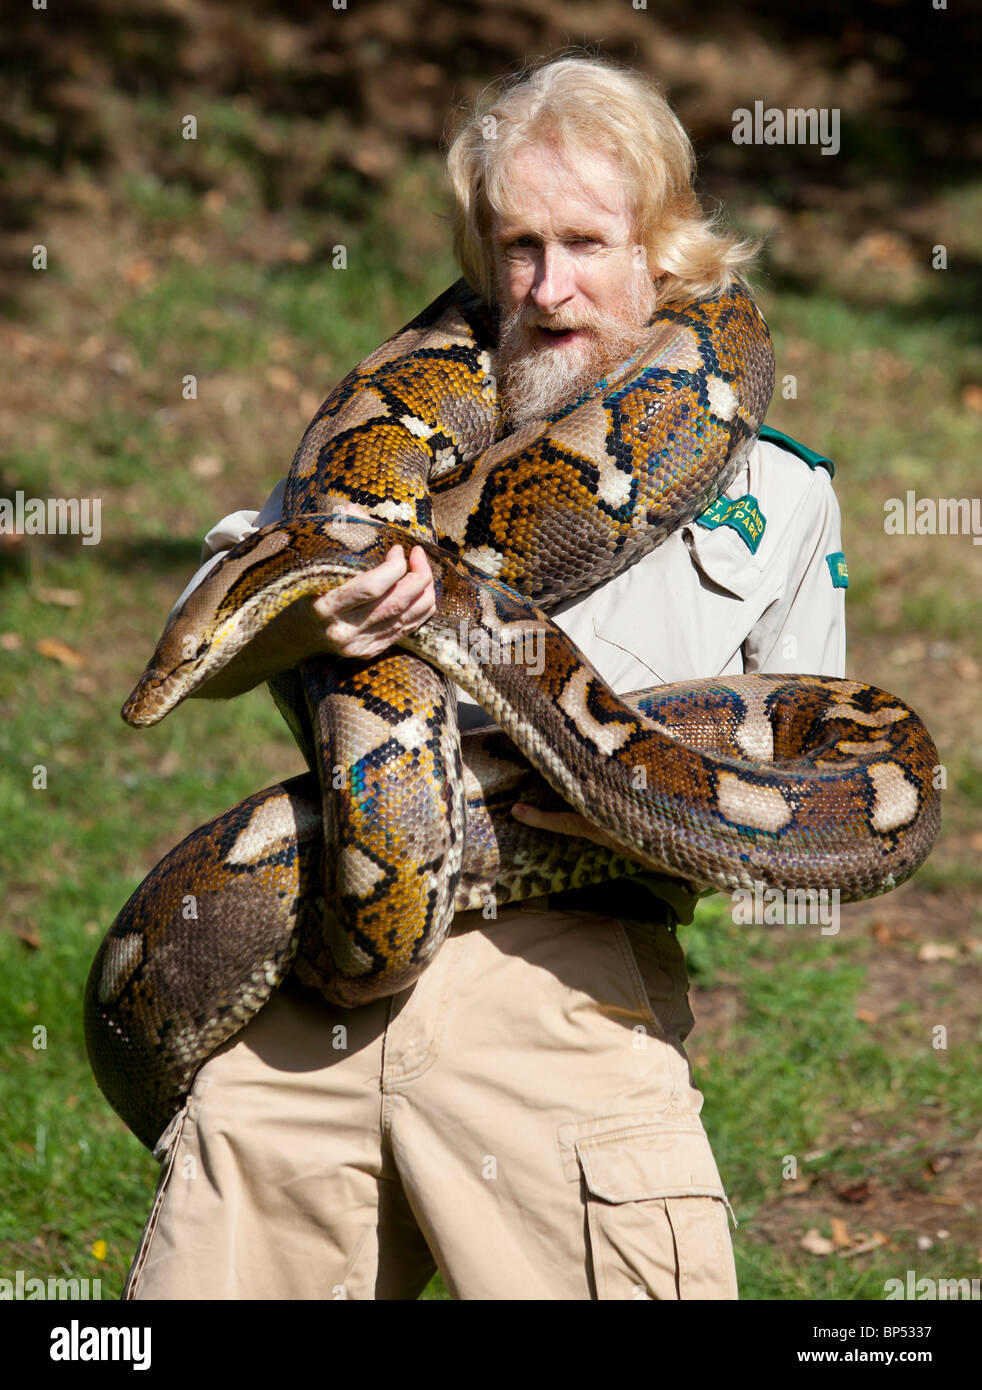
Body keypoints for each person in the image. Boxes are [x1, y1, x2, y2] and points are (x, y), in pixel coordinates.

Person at [123, 55, 846, 1301]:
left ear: (664, 253)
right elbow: (227, 606)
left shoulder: (782, 495)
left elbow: (796, 777)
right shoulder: (381, 453)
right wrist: (329, 628)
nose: (549, 288)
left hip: (564, 1000)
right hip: (311, 1017)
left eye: (584, 242)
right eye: (516, 247)